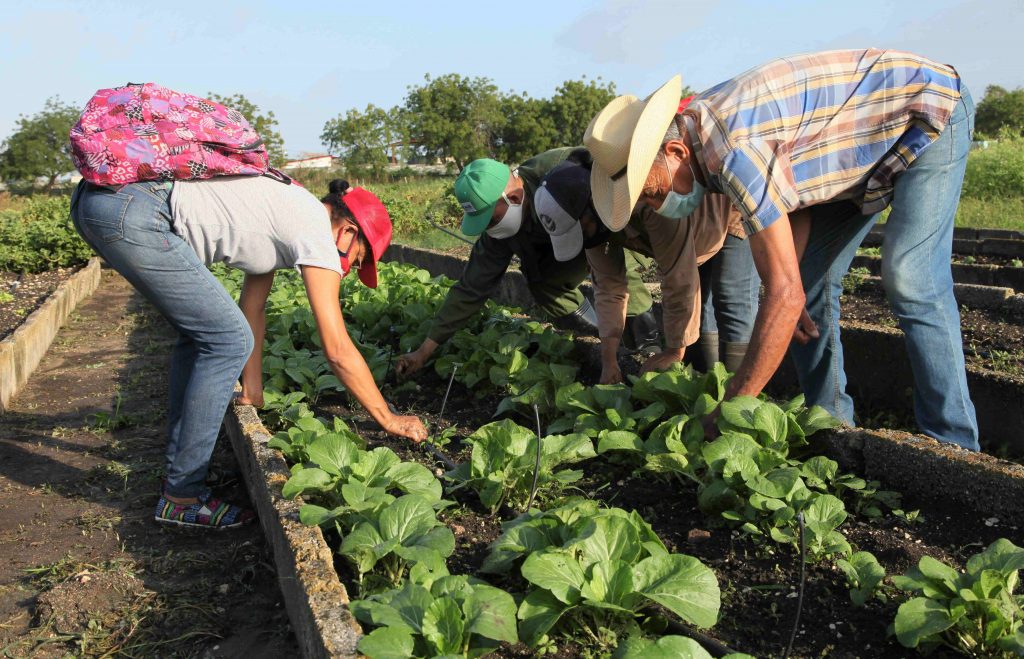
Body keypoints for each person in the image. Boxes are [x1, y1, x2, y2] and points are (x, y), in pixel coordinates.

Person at [585, 49, 979, 450]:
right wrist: (791, 291)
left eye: (651, 193)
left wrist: (733, 404)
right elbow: (796, 199)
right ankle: (831, 427)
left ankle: (954, 443)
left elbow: (782, 293)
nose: (654, 207)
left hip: (923, 112)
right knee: (806, 287)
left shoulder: (734, 152)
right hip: (851, 152)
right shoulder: (702, 140)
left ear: (675, 153)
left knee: (910, 277)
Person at [70, 176, 428, 529]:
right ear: (348, 232)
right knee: (225, 339)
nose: (347, 269)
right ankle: (182, 497)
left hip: (107, 201)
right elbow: (336, 348)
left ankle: (183, 470)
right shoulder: (317, 231)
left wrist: (252, 390)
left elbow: (252, 306)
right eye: (357, 258)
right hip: (136, 210)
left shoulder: (289, 208)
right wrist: (387, 417)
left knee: (203, 337)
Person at [395, 148, 659, 378]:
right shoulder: (498, 234)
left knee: (616, 267)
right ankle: (600, 336)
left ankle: (648, 347)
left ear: (513, 197)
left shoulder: (561, 171)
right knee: (541, 281)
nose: (489, 227)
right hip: (562, 247)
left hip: (600, 229)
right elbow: (470, 289)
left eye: (491, 219)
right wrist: (424, 350)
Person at [537, 159, 756, 384]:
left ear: (591, 203)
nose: (583, 237)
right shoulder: (594, 227)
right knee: (702, 317)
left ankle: (741, 393)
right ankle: (707, 388)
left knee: (731, 298)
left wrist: (673, 352)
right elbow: (608, 288)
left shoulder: (647, 199)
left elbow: (678, 277)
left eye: (581, 229)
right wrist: (609, 360)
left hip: (729, 210)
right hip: (695, 238)